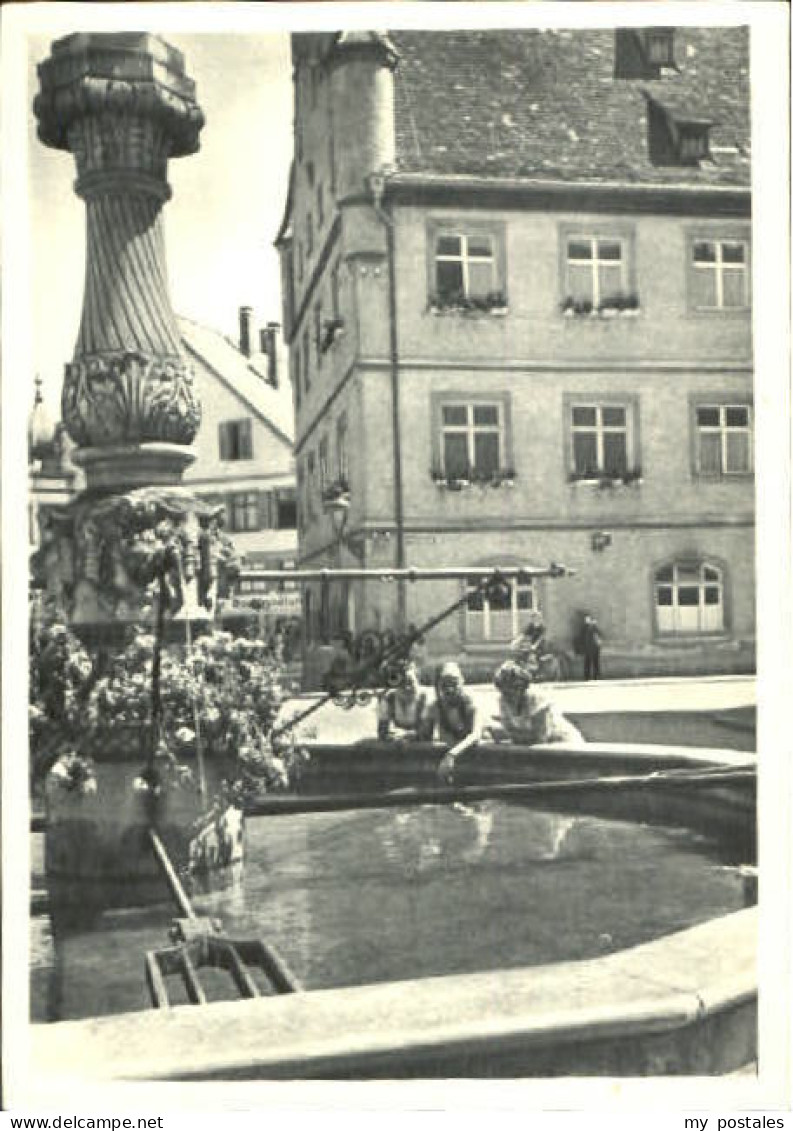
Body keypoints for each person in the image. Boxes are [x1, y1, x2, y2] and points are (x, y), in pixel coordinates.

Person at [491, 660, 585, 745]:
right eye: (503, 690)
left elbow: (540, 737)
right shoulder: (503, 700)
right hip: (536, 745)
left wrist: (515, 736)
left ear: (521, 687)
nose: (507, 695)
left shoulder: (536, 698)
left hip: (564, 743)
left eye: (511, 689)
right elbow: (510, 732)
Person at [428, 662, 484, 780]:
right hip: (457, 750)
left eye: (454, 682)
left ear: (462, 682)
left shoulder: (471, 701)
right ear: (438, 685)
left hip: (480, 747)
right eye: (444, 684)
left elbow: (476, 734)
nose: (450, 688)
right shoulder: (435, 707)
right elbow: (424, 734)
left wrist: (451, 754)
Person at [377, 660, 433, 741]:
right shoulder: (389, 698)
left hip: (422, 746)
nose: (407, 688)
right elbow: (382, 732)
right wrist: (390, 735)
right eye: (402, 684)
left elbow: (426, 733)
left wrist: (404, 735)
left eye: (411, 682)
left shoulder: (425, 698)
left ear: (417, 679)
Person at [581, 614, 602, 681]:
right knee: (588, 663)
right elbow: (583, 638)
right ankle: (587, 676)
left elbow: (599, 636)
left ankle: (596, 676)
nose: (587, 621)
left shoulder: (594, 628)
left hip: (594, 648)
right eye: (586, 619)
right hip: (588, 648)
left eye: (588, 619)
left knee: (595, 662)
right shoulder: (585, 628)